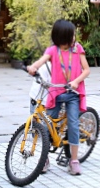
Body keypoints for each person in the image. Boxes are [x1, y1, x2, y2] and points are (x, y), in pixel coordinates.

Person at [26, 19, 91, 176]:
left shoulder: (77, 49)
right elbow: (41, 60)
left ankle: (73, 161)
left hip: (72, 94)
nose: (74, 37)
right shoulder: (53, 50)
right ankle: (44, 159)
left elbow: (86, 70)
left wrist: (76, 81)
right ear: (63, 37)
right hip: (55, 93)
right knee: (48, 125)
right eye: (72, 35)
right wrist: (33, 67)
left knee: (74, 125)